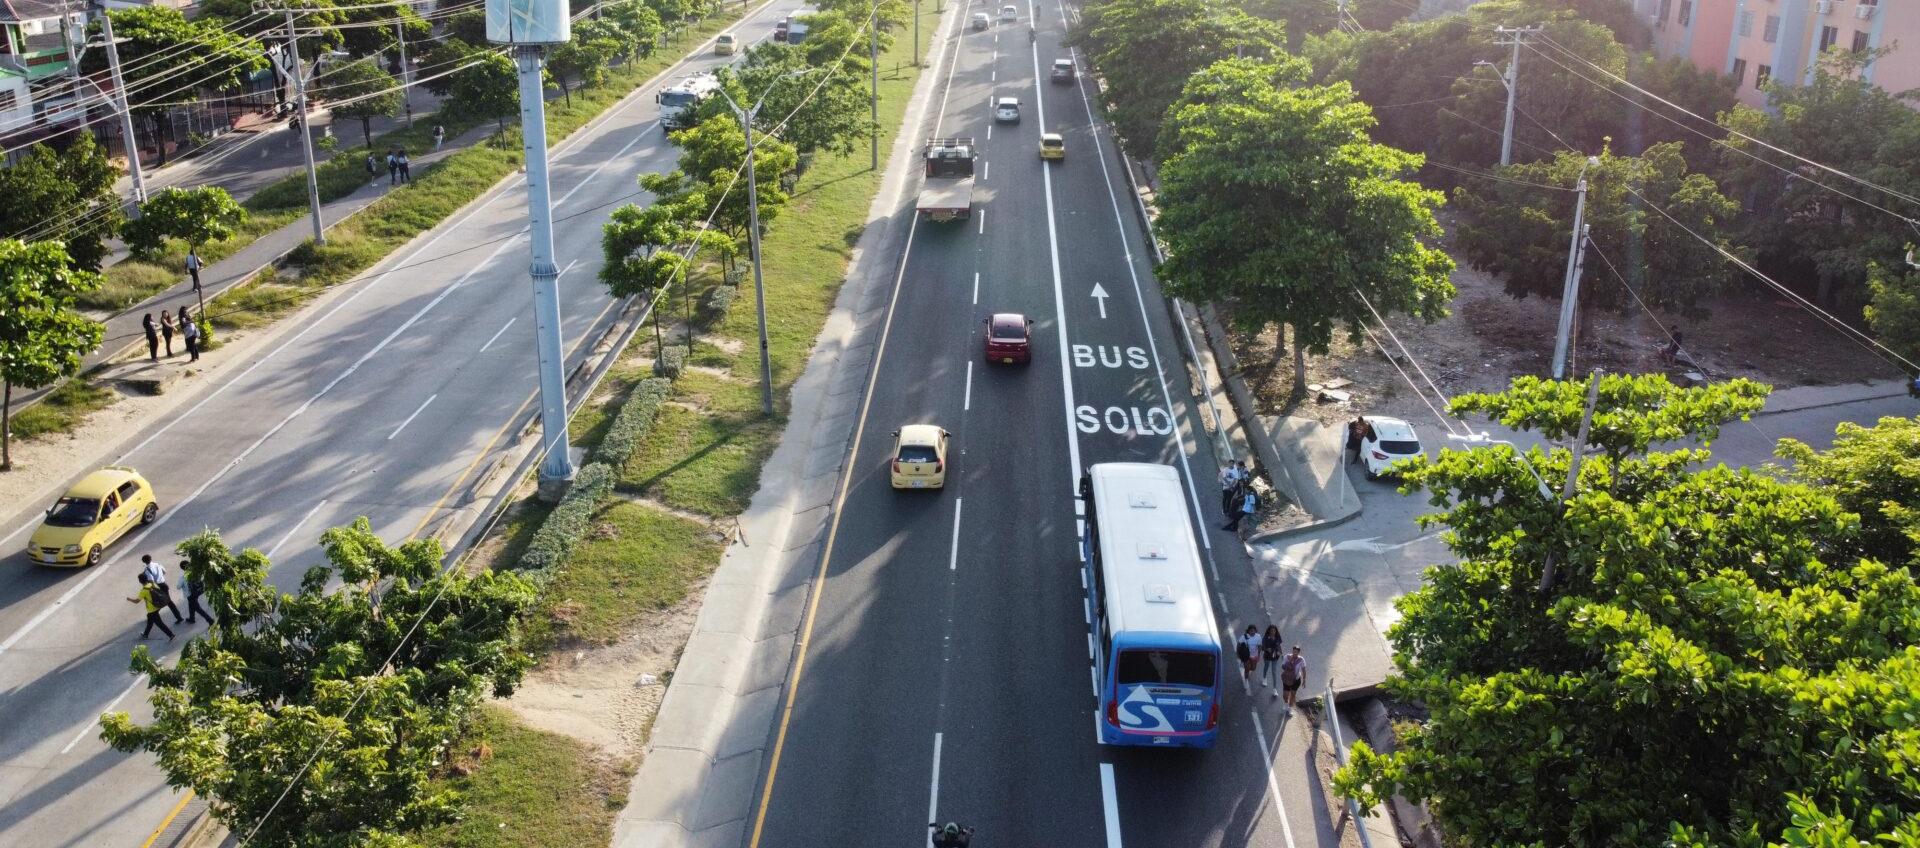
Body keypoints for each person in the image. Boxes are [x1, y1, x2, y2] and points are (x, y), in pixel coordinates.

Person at [128, 574, 175, 641]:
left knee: (159, 623)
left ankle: (170, 634)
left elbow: (136, 601)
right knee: (150, 619)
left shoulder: (144, 591)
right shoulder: (153, 585)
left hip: (152, 609)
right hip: (158, 606)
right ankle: (145, 634)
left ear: (140, 581)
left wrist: (129, 599)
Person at [140, 554, 184, 625]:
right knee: (168, 602)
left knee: (158, 602)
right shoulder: (157, 564)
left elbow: (151, 581)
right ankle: (179, 617)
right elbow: (164, 572)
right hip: (164, 584)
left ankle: (151, 616)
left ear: (144, 562)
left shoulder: (147, 570)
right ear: (151, 559)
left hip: (157, 587)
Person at [179, 561, 212, 625]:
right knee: (191, 605)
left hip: (191, 594)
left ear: (183, 568)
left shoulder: (185, 576)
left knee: (198, 609)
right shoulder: (195, 571)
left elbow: (178, 586)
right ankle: (192, 618)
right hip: (198, 591)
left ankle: (210, 620)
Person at [1259, 624, 1283, 695]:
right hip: (1267, 655)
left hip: (1275, 656)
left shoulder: (1278, 637)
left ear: (1276, 631)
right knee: (1266, 667)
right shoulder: (1265, 638)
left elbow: (1279, 646)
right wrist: (1266, 649)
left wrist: (1280, 653)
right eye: (1271, 631)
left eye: (1274, 631)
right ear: (1269, 631)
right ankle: (1264, 678)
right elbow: (1262, 647)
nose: (1273, 632)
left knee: (1274, 672)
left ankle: (1274, 689)